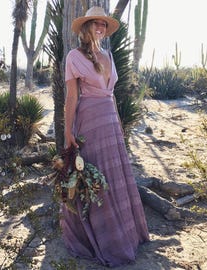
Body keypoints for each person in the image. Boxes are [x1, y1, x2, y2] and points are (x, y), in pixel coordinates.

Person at [61, 6, 150, 267]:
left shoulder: (109, 54)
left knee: (115, 175)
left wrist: (119, 123)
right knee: (94, 175)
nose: (100, 28)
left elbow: (111, 95)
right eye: (95, 24)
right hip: (89, 120)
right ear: (86, 27)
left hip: (110, 120)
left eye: (103, 24)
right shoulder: (74, 56)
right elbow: (72, 97)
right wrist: (67, 131)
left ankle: (123, 233)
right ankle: (97, 238)